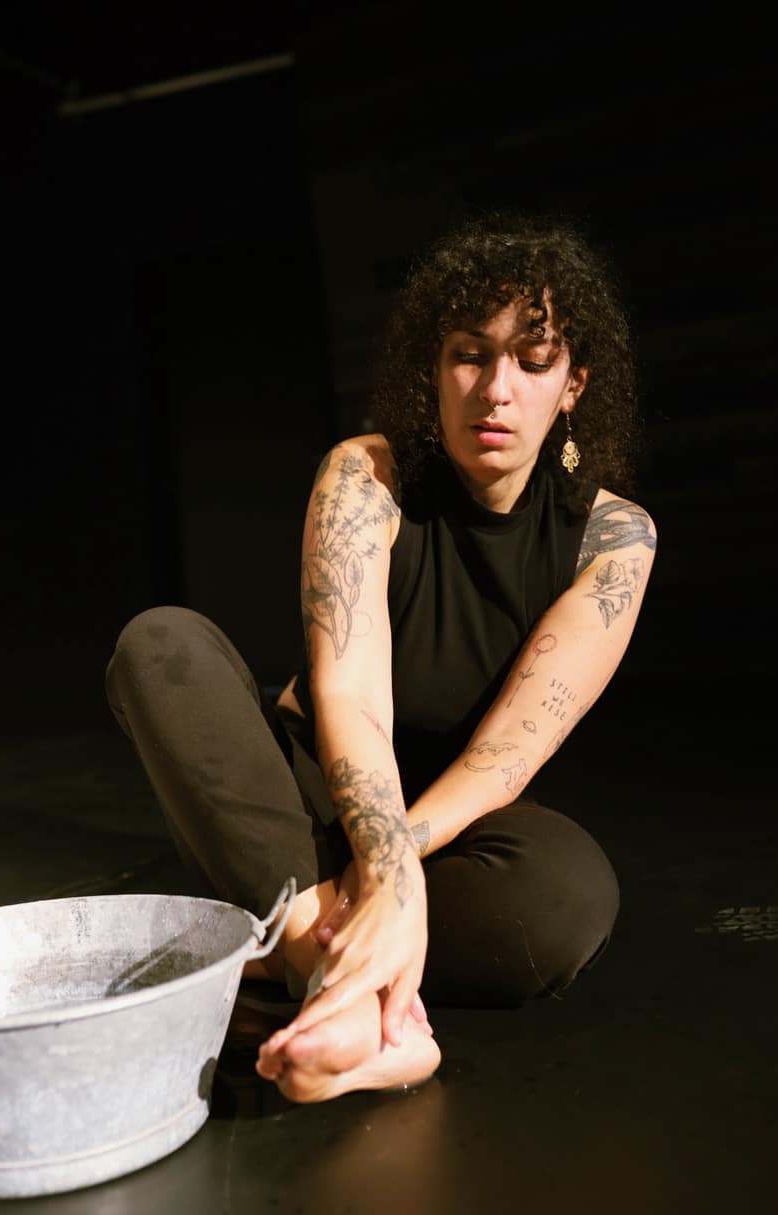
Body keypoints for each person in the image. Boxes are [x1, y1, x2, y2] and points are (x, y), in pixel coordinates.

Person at [105, 209, 657, 1104]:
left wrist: (398, 867)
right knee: (161, 645)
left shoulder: (614, 537)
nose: (495, 389)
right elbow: (350, 695)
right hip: (305, 795)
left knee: (564, 898)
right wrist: (389, 876)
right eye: (469, 355)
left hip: (447, 824)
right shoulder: (366, 477)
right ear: (433, 369)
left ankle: (297, 958)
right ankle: (364, 1008)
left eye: (531, 360)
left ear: (573, 385)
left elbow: (506, 754)